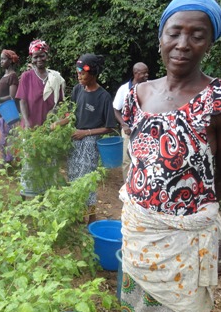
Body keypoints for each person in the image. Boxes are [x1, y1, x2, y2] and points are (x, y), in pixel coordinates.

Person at [119, 0, 221, 312]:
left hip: (183, 247)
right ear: (161, 36)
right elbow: (138, 159)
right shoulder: (137, 95)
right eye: (174, 32)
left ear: (210, 42)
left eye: (197, 34)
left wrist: (179, 216)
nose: (183, 44)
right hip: (138, 237)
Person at [52, 54, 117, 223]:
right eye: (78, 72)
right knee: (74, 177)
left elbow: (110, 126)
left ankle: (92, 217)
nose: (79, 76)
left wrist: (86, 133)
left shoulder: (104, 97)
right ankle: (79, 214)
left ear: (93, 73)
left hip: (90, 143)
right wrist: (59, 123)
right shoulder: (77, 90)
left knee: (87, 182)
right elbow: (73, 114)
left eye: (82, 73)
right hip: (75, 139)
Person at [15, 39, 66, 197]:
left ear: (47, 56)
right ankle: (26, 195)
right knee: (30, 162)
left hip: (49, 128)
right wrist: (28, 121)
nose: (38, 60)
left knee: (47, 160)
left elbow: (60, 103)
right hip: (30, 126)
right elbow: (22, 100)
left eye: (41, 56)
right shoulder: (27, 77)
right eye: (35, 57)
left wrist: (54, 115)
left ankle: (45, 195)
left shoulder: (55, 78)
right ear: (31, 58)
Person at [113, 62, 149, 181]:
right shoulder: (124, 89)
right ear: (135, 73)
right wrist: (123, 124)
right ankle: (127, 189)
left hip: (146, 131)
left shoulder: (151, 87)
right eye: (143, 73)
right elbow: (115, 109)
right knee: (127, 161)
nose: (146, 75)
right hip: (129, 130)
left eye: (147, 72)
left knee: (145, 160)